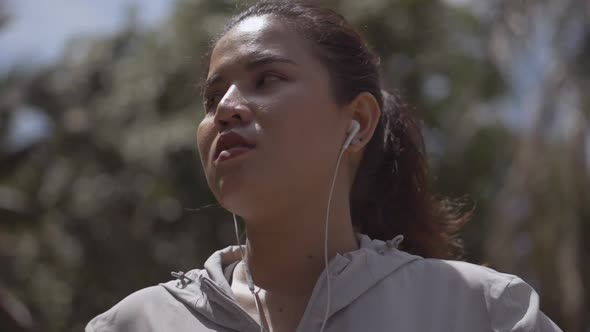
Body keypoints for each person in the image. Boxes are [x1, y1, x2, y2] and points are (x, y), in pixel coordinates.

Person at [85, 1, 562, 331]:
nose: (226, 107)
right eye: (212, 97)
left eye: (267, 78)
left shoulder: (483, 311)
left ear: (356, 120)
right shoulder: (133, 323)